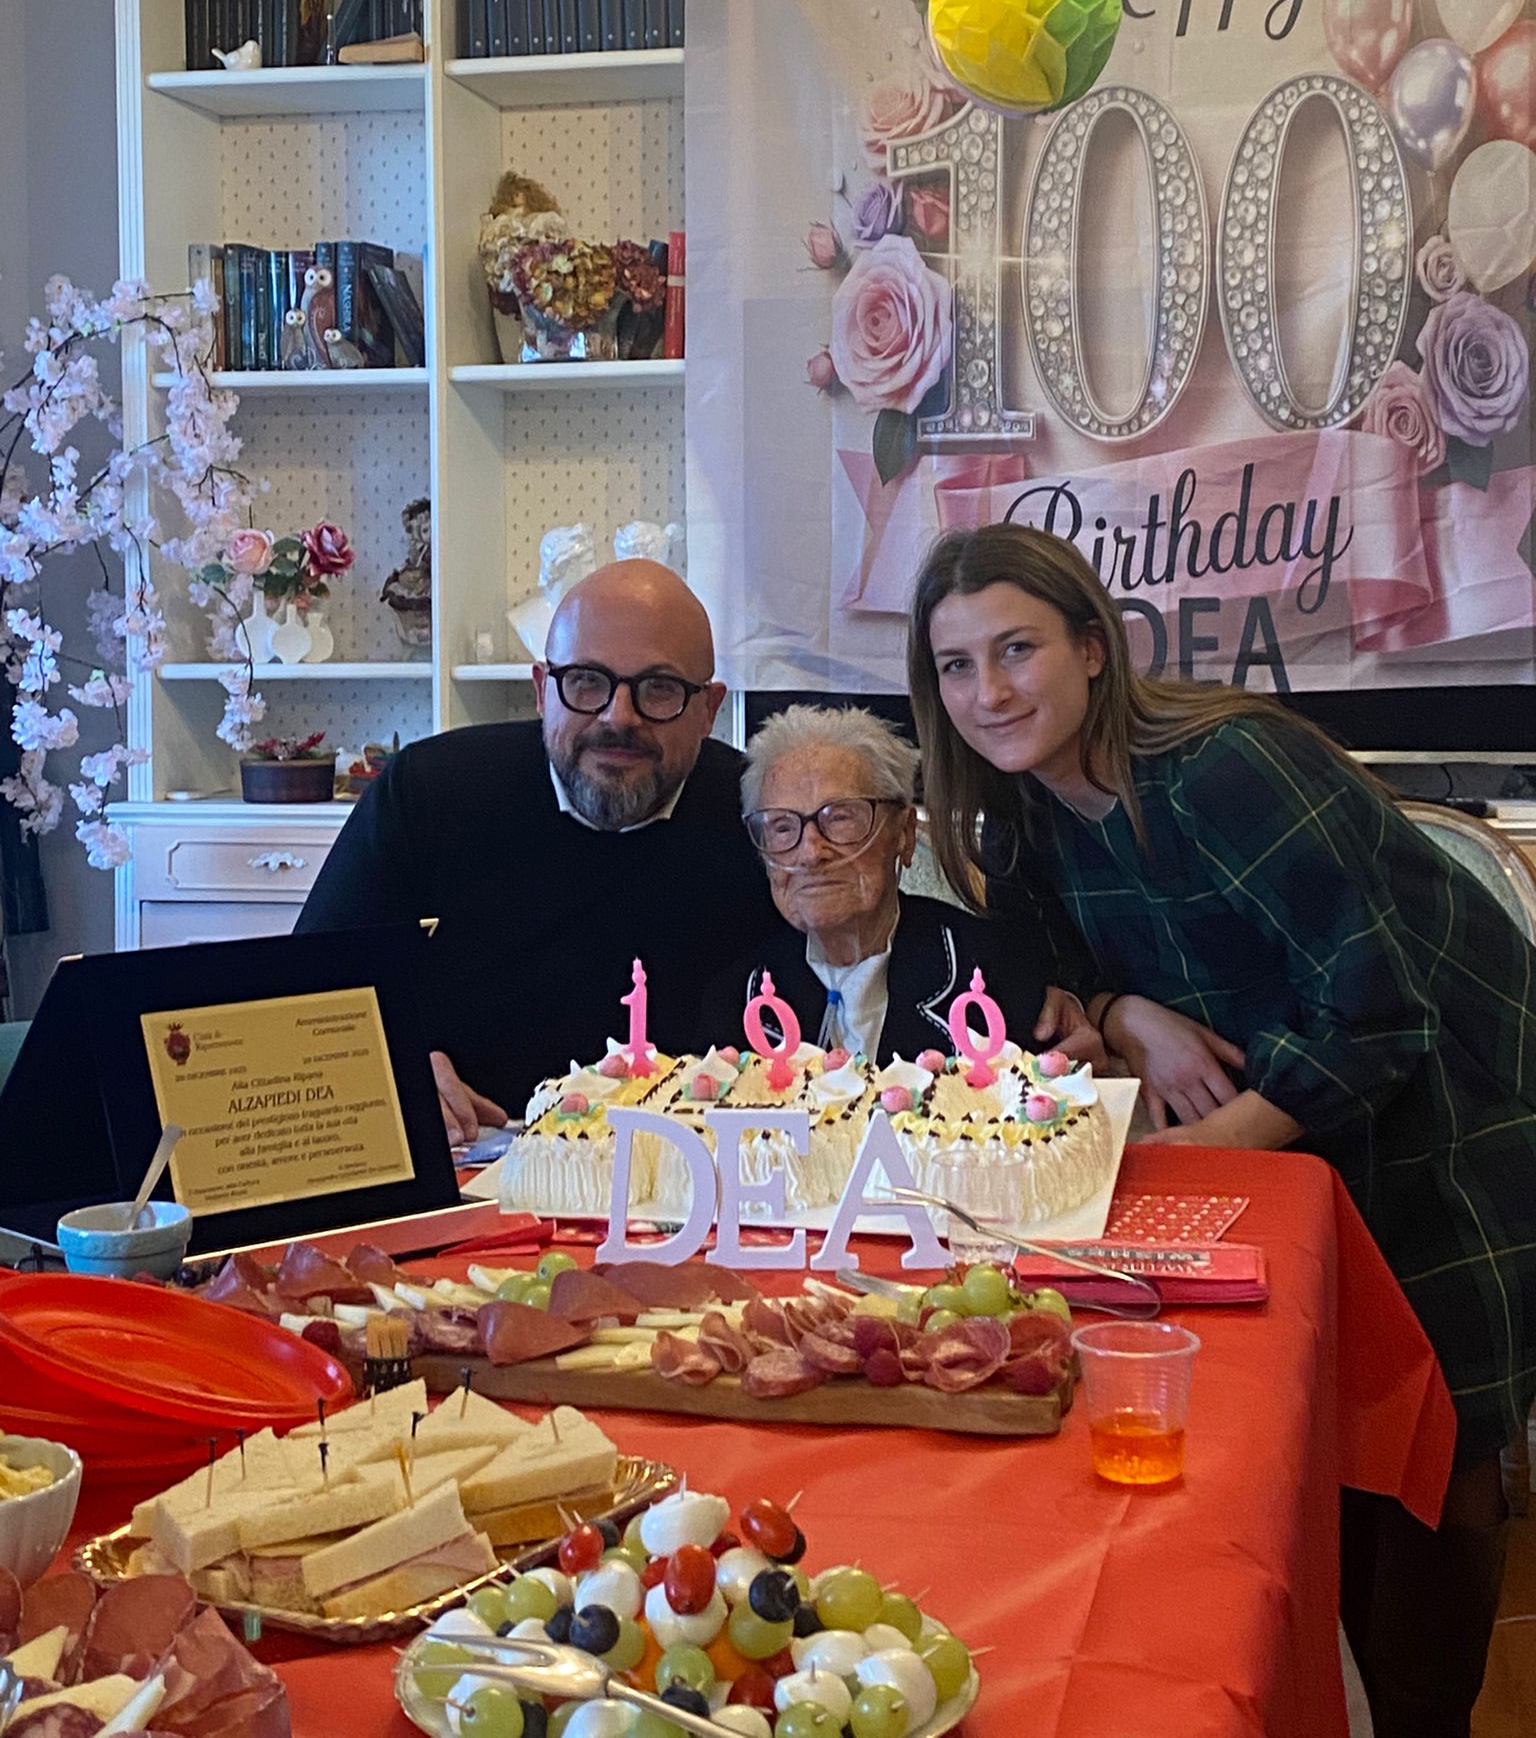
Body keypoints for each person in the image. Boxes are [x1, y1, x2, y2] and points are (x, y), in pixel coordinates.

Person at [906, 521, 1536, 1738]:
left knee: (1428, 1470)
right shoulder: (1018, 815)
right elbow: (1064, 980)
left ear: (1095, 646)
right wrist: (1123, 1012)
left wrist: (1173, 1165)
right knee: (1296, 1451)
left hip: (1446, 1124)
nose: (989, 691)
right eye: (957, 664)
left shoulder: (1228, 768)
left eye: (1018, 648)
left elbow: (1380, 1016)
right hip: (1279, 1142)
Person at [296, 561, 776, 1137]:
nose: (618, 716)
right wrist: (384, 1069)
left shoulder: (763, 819)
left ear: (708, 710)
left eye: (660, 689)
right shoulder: (431, 791)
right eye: (586, 681)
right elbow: (310, 994)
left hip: (693, 1157)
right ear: (542, 690)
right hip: (473, 1148)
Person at [699, 705, 1059, 1063]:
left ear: (904, 833)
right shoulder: (735, 1002)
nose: (810, 853)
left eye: (840, 817)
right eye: (781, 826)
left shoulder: (997, 972)